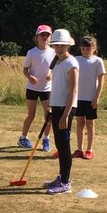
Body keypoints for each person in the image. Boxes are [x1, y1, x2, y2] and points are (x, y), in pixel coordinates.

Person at [44, 29, 78, 195]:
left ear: (67, 45)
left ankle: (65, 182)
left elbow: (73, 90)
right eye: (56, 45)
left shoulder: (71, 63)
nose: (58, 48)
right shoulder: (56, 61)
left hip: (66, 108)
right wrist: (50, 107)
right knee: (59, 143)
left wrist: (65, 115)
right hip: (56, 106)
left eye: (62, 45)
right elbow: (55, 87)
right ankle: (61, 176)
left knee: (64, 145)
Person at [18, 25, 53, 152]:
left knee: (49, 115)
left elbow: (55, 69)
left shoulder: (54, 52)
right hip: (32, 88)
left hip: (47, 89)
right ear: (37, 37)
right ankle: (23, 138)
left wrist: (51, 74)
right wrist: (30, 77)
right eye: (42, 35)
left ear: (50, 37)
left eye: (47, 35)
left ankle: (46, 139)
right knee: (31, 115)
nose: (45, 37)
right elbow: (25, 70)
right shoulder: (31, 52)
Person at [74, 35, 106, 159]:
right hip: (78, 98)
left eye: (88, 48)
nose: (85, 51)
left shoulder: (98, 61)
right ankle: (79, 149)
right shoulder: (76, 60)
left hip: (91, 97)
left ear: (94, 48)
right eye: (83, 48)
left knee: (90, 124)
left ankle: (89, 149)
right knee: (79, 123)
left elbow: (101, 81)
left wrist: (96, 97)